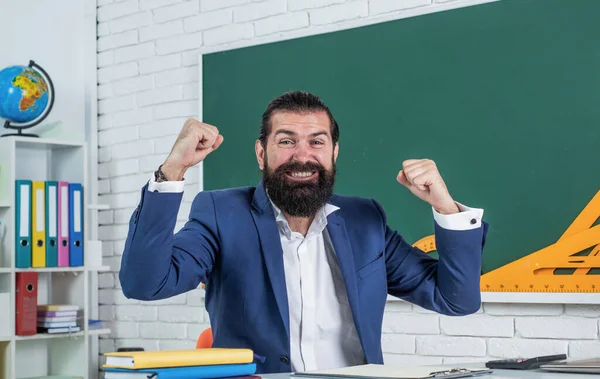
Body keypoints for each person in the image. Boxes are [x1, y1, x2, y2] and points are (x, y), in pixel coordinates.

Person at [120, 91, 488, 374]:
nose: (302, 155)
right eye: (285, 141)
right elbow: (145, 283)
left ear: (333, 153)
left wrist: (445, 207)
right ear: (261, 154)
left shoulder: (365, 220)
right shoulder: (221, 213)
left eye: (316, 141)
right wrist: (172, 171)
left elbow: (455, 299)